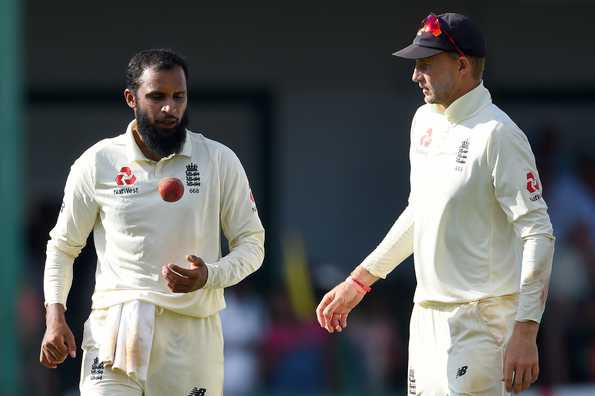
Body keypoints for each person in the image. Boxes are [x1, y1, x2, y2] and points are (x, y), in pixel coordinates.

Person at [316, 13, 554, 395]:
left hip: (482, 321)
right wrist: (359, 281)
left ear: (462, 65)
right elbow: (420, 212)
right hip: (425, 317)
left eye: (425, 64)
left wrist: (526, 330)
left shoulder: (499, 134)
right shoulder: (424, 122)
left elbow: (538, 233)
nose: (415, 75)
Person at [39, 48, 265, 396]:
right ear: (131, 98)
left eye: (179, 97)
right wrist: (55, 316)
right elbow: (63, 247)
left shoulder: (218, 160)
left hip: (191, 335)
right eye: (156, 97)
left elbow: (252, 244)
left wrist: (209, 274)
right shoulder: (98, 162)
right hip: (115, 327)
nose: (169, 109)